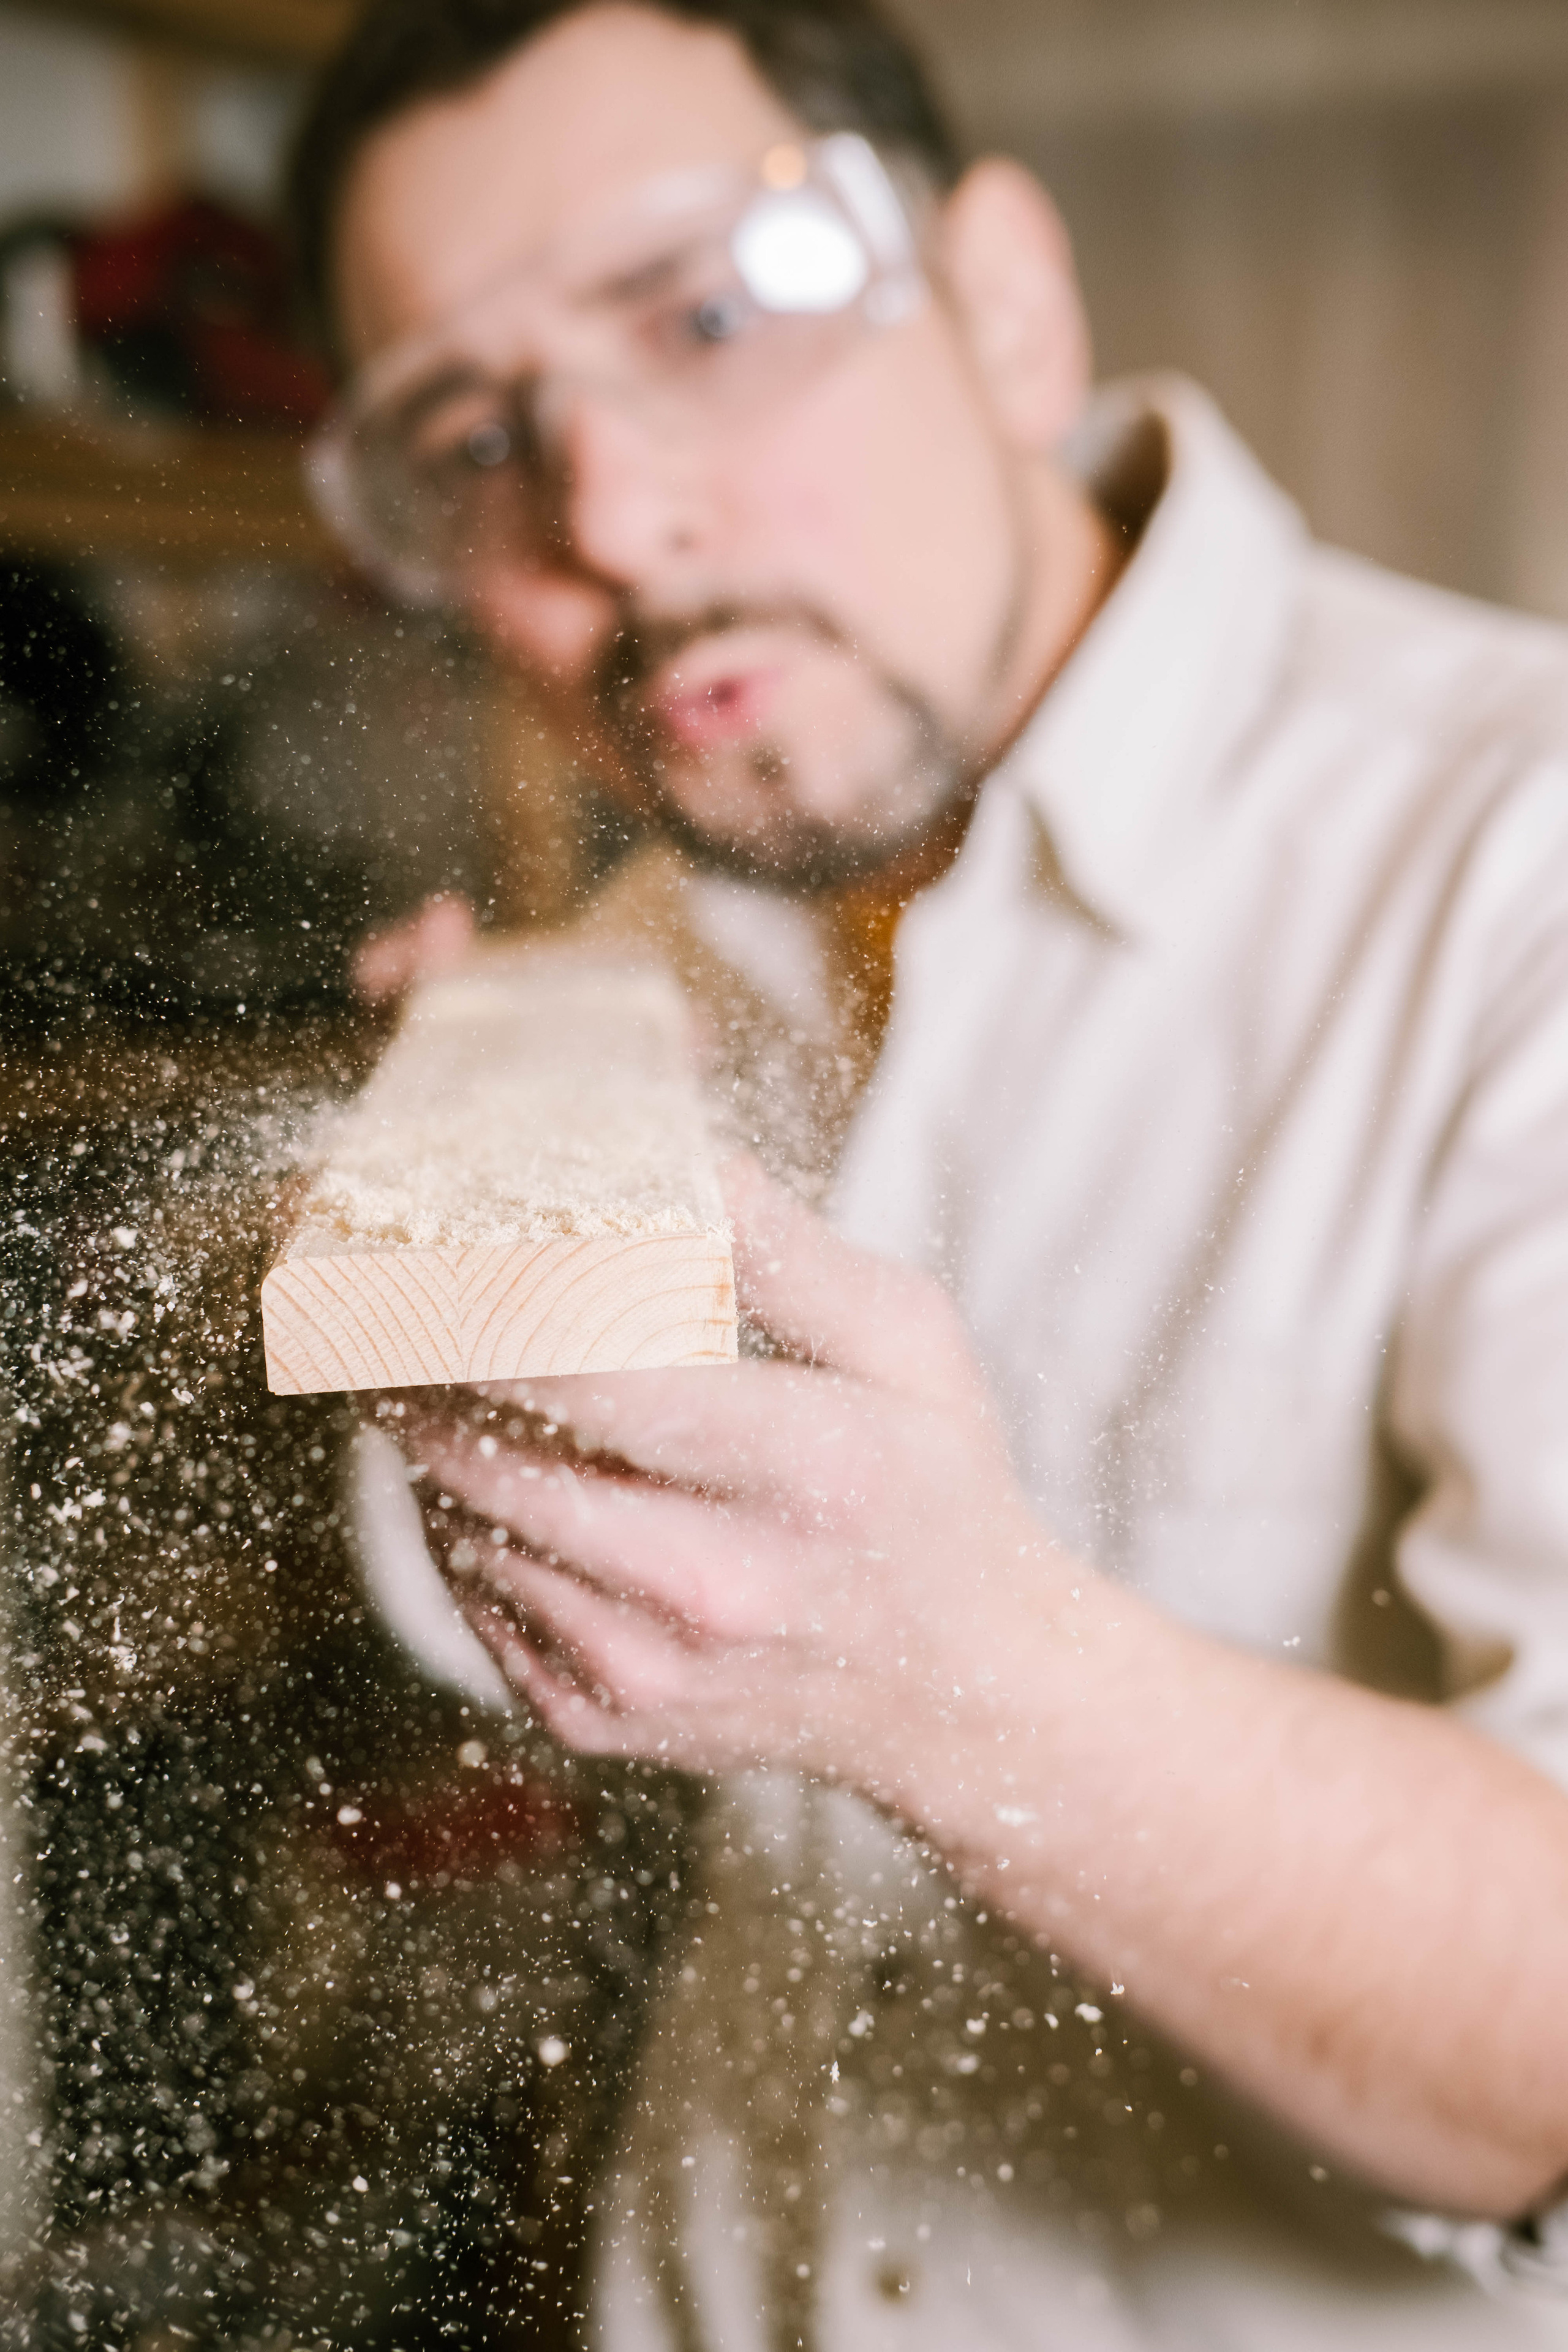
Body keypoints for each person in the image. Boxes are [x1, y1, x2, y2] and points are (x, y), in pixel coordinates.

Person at [288, 2, 1568, 2343]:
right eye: (469, 438)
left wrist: (963, 1677)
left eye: (698, 316)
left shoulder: (1521, 863)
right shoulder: (650, 942)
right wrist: (468, 1278)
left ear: (997, 301)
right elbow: (451, 1608)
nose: (615, 519)